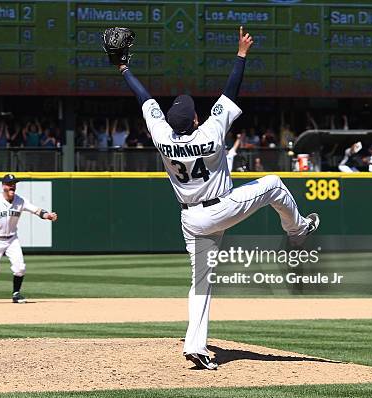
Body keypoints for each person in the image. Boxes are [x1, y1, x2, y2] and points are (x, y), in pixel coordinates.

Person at [112, 26, 318, 370]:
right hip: (221, 208)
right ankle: (297, 230)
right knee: (273, 183)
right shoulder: (210, 131)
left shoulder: (162, 136)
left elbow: (143, 98)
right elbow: (232, 92)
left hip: (190, 219)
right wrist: (241, 54)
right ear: (194, 118)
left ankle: (195, 346)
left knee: (201, 283)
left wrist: (123, 69)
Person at [0, 174, 58, 303]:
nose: (12, 186)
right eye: (9, 184)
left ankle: (16, 294)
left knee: (20, 268)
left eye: (14, 184)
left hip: (12, 239)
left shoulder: (20, 201)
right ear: (3, 186)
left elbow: (35, 210)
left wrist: (47, 215)